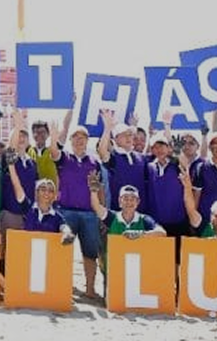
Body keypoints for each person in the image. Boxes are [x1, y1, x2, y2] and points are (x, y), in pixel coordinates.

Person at [47, 122, 104, 299]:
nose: (79, 140)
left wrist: (101, 212)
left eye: (83, 137)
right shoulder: (64, 158)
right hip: (66, 212)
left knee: (90, 253)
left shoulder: (94, 162)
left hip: (89, 213)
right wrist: (54, 136)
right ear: (71, 140)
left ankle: (90, 289)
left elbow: (99, 188)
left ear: (87, 140)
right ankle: (63, 287)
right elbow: (53, 152)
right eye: (76, 137)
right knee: (64, 250)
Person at [98, 111, 148, 213]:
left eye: (130, 135)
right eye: (124, 135)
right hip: (118, 212)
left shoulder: (141, 158)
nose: (128, 138)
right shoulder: (114, 157)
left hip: (140, 211)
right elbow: (102, 151)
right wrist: (107, 128)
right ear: (116, 139)